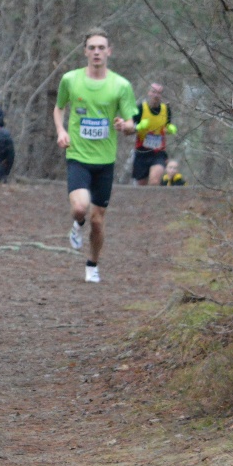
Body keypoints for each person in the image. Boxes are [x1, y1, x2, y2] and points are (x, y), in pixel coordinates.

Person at [53, 28, 136, 283]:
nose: (97, 52)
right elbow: (59, 108)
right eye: (92, 47)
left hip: (105, 161)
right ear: (85, 51)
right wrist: (61, 131)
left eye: (101, 47)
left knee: (98, 221)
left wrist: (126, 127)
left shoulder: (121, 85)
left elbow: (132, 123)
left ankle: (92, 264)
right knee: (80, 206)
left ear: (109, 51)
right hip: (78, 155)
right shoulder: (70, 80)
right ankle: (77, 224)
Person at [130, 82, 178, 186]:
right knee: (141, 185)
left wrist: (170, 129)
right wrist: (138, 127)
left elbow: (167, 126)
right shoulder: (140, 108)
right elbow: (128, 129)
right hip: (141, 151)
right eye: (154, 92)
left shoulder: (166, 110)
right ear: (149, 93)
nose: (156, 95)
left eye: (159, 93)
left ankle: (153, 201)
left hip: (158, 152)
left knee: (154, 181)